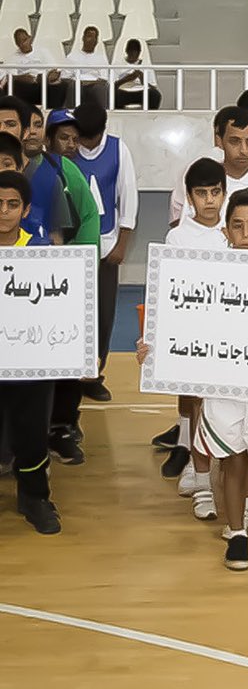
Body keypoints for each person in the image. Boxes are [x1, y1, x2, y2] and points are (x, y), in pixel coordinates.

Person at [145, 190, 248, 571]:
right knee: (232, 461)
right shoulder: (208, 273)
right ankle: (237, 533)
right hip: (224, 385)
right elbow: (184, 324)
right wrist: (155, 351)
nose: (246, 234)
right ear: (226, 232)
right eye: (237, 226)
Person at [159, 157, 230, 511]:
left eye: (215, 192)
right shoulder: (178, 237)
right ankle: (194, 461)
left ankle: (226, 466)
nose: (209, 200)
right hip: (194, 331)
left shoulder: (235, 231)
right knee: (195, 399)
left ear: (225, 193)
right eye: (201, 193)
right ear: (189, 197)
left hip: (229, 331)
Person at [0, 169, 62, 534]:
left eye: (12, 204)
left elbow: (61, 308)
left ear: (25, 210)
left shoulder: (41, 252)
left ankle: (35, 496)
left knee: (32, 432)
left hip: (31, 364)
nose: (4, 211)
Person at [38, 109, 101, 465]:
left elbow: (88, 215)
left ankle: (61, 426)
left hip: (59, 279)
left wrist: (81, 267)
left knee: (63, 350)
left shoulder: (63, 170)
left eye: (35, 125)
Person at [70, 102, 138, 403]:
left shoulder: (118, 149)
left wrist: (122, 243)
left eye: (91, 138)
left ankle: (95, 374)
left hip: (107, 247)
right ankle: (68, 375)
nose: (85, 144)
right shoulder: (66, 148)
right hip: (72, 249)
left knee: (103, 315)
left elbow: (128, 196)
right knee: (73, 313)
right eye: (81, 137)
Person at [168, 106, 248, 228]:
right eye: (235, 141)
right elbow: (183, 229)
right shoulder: (199, 181)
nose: (243, 150)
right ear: (220, 141)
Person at [0, 97, 73, 245]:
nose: (2, 130)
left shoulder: (49, 178)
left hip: (34, 257)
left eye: (10, 124)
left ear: (26, 131)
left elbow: (56, 235)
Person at [5, 29, 67, 107]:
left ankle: (52, 111)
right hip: (26, 85)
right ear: (17, 44)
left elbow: (54, 69)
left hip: (44, 81)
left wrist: (46, 78)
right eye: (19, 42)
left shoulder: (43, 52)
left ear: (30, 38)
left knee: (61, 85)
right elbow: (11, 77)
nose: (23, 44)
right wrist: (24, 77)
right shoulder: (13, 58)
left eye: (25, 40)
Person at [64, 25, 110, 107]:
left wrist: (89, 83)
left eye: (94, 38)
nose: (92, 40)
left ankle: (103, 113)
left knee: (101, 88)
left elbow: (104, 79)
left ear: (97, 41)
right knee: (72, 87)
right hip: (77, 83)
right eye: (89, 36)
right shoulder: (72, 56)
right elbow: (65, 78)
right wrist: (80, 82)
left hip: (95, 85)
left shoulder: (101, 58)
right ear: (83, 38)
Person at [113, 38, 161, 109]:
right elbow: (112, 85)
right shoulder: (118, 64)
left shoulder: (145, 65)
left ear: (139, 52)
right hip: (123, 91)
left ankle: (151, 115)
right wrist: (126, 79)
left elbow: (153, 87)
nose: (133, 53)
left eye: (136, 51)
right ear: (126, 51)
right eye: (131, 50)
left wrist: (143, 79)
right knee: (113, 95)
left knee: (155, 95)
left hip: (141, 91)